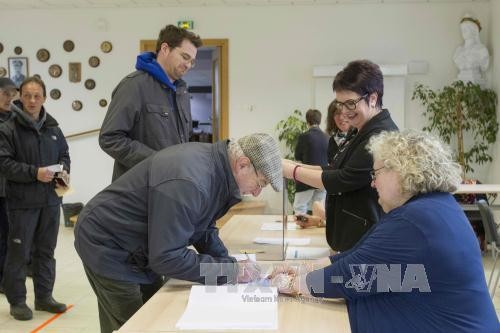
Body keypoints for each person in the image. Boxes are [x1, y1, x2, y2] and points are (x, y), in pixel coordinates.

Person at [272, 130, 499, 332]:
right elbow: (358, 262)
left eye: (375, 173)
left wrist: (293, 285)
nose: (373, 183)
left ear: (400, 171)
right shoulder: (433, 207)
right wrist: (298, 269)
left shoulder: (415, 221)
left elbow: (351, 277)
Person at [74, 133, 282, 333]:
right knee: (134, 324)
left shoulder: (215, 169)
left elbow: (203, 226)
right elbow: (167, 258)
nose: (257, 192)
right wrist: (229, 271)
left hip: (140, 243)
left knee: (155, 312)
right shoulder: (192, 181)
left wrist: (228, 264)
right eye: (261, 183)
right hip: (107, 242)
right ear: (242, 164)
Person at [283, 60, 398, 251]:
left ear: (373, 98)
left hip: (364, 241)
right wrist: (290, 164)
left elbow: (342, 179)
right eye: (340, 104)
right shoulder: (360, 130)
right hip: (349, 237)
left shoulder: (380, 135)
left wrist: (291, 171)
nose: (344, 112)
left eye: (351, 104)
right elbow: (334, 168)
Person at [0, 76, 70, 320]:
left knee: (46, 252)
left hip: (50, 201)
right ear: (20, 96)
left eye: (36, 96)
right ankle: (18, 301)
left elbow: (64, 155)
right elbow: (4, 164)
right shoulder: (8, 128)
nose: (31, 100)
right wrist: (34, 173)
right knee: (19, 253)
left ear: (44, 98)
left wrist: (63, 176)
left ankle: (44, 297)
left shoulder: (53, 127)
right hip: (22, 203)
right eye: (27, 95)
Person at [99, 24, 202, 181]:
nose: (188, 65)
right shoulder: (134, 85)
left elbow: (184, 139)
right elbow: (110, 138)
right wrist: (157, 162)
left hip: (172, 184)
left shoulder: (182, 91)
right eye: (185, 57)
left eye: (192, 61)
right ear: (165, 49)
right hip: (138, 189)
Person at [292, 109, 329, 215]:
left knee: (300, 206)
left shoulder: (304, 136)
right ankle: (318, 231)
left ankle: (300, 230)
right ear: (320, 121)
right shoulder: (327, 137)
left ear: (307, 121)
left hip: (306, 177)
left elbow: (297, 157)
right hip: (322, 178)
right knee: (318, 207)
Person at [0, 78, 17, 294]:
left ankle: (7, 278)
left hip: (12, 188)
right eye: (5, 93)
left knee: (10, 235)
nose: (9, 98)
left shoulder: (15, 118)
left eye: (12, 93)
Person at [453, 16, 489, 87]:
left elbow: (484, 66)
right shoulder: (459, 51)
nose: (463, 32)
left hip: (475, 82)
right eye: (462, 29)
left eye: (466, 29)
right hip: (461, 80)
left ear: (473, 31)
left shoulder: (481, 50)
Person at [325, 100, 351, 165]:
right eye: (337, 114)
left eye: (344, 113)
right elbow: (331, 167)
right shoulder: (332, 141)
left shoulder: (359, 137)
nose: (341, 117)